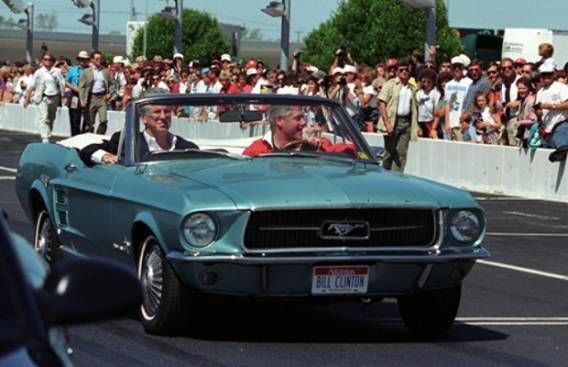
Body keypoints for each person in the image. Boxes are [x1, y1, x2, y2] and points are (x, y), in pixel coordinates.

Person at [80, 89, 198, 166]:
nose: (163, 117)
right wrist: (104, 156)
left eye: (167, 112)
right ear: (143, 118)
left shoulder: (187, 148)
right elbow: (87, 151)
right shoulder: (127, 142)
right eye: (157, 112)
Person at [242, 105, 356, 157]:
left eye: (303, 118)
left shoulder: (316, 144)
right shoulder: (257, 151)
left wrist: (317, 152)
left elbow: (352, 151)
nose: (304, 123)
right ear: (280, 121)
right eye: (298, 118)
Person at [378, 60, 418, 172]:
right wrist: (387, 123)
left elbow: (414, 107)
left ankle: (397, 177)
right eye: (401, 70)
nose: (404, 72)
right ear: (397, 72)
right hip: (393, 121)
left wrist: (415, 125)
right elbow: (382, 103)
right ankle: (385, 174)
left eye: (406, 70)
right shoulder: (390, 84)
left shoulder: (412, 87)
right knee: (389, 152)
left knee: (401, 153)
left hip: (406, 122)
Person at [23, 52, 65, 143]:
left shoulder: (57, 71)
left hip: (54, 97)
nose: (47, 61)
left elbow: (62, 84)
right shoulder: (39, 72)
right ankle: (45, 137)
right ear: (42, 61)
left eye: (49, 59)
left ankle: (48, 134)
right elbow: (31, 86)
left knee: (51, 117)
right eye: (45, 59)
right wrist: (27, 99)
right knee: (44, 117)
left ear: (52, 61)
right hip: (42, 97)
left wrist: (63, 95)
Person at [534, 63, 568, 162]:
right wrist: (538, 111)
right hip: (546, 128)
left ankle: (562, 150)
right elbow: (539, 113)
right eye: (544, 74)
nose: (546, 77)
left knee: (562, 144)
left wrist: (551, 106)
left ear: (553, 74)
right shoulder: (540, 92)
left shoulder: (561, 87)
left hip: (560, 124)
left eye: (548, 74)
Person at [78, 50, 112, 134]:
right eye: (97, 59)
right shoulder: (87, 72)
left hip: (102, 98)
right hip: (91, 98)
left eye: (100, 59)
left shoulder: (105, 71)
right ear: (92, 60)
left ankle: (99, 136)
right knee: (90, 122)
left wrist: (109, 93)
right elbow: (81, 86)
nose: (99, 61)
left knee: (103, 120)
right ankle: (89, 137)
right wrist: (82, 99)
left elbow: (111, 84)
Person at [65, 50, 90, 136]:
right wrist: (74, 88)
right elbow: (66, 82)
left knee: (86, 118)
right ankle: (74, 135)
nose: (83, 61)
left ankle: (83, 135)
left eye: (85, 59)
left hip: (86, 95)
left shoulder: (90, 70)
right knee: (74, 117)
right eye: (81, 59)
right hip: (75, 95)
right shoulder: (73, 70)